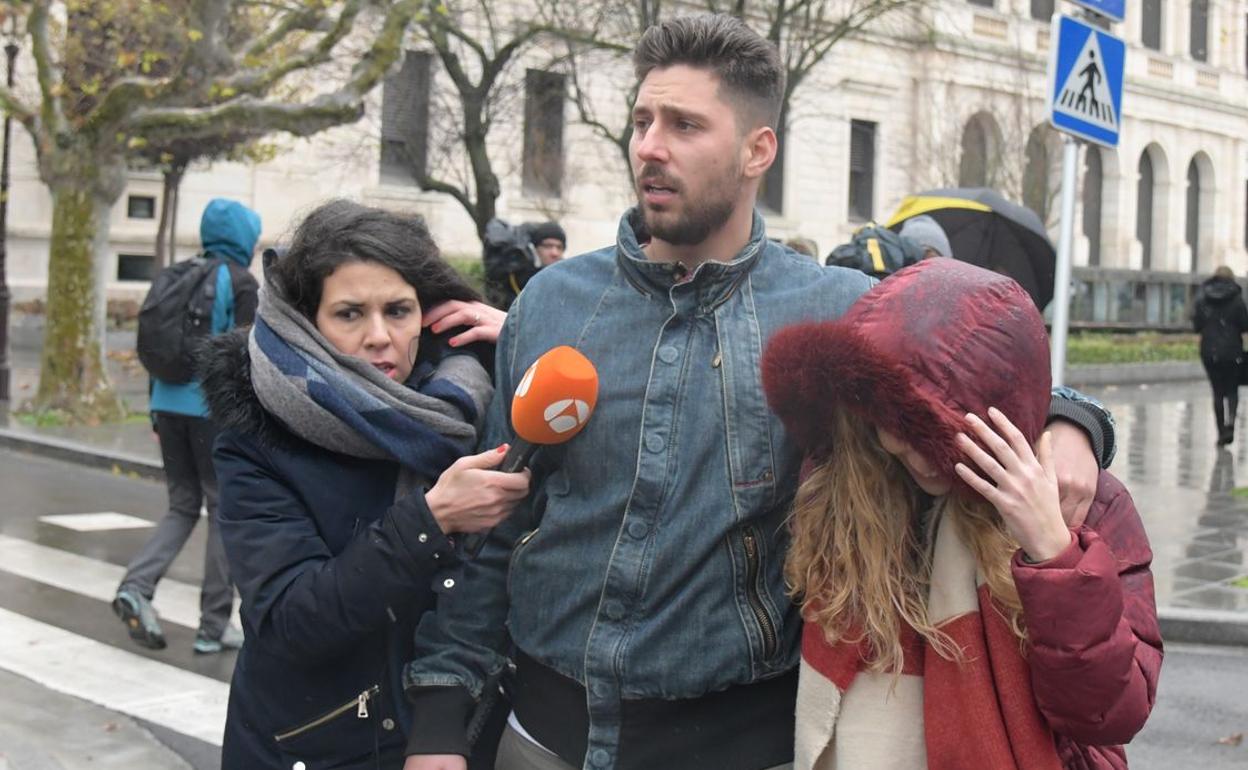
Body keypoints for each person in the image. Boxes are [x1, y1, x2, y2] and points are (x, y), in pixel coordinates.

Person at [403, 16, 1116, 770]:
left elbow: (988, 368)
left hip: (744, 742)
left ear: (756, 150)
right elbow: (492, 531)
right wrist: (441, 725)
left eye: (683, 124)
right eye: (642, 121)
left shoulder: (837, 309)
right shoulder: (551, 304)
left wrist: (1073, 422)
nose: (649, 145)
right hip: (544, 737)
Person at [762, 259, 1161, 770]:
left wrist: (1056, 556)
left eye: (945, 437)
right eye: (901, 424)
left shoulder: (1079, 501)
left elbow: (1109, 713)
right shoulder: (842, 491)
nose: (921, 453)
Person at [200, 200, 526, 769]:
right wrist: (430, 523)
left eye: (398, 311)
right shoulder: (258, 435)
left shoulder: (475, 399)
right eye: (350, 314)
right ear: (309, 322)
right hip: (315, 743)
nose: (380, 336)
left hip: (457, 739)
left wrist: (529, 339)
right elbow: (288, 620)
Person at [113, 198, 261, 654]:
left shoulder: (175, 275)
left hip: (166, 406)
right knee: (222, 510)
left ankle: (137, 586)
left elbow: (160, 346)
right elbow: (245, 359)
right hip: (211, 414)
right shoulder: (239, 282)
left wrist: (155, 412)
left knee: (181, 505)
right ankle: (213, 627)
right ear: (245, 238)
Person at [1192, 265, 1248, 445]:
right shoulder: (1237, 298)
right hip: (1233, 351)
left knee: (1217, 391)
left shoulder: (1203, 298)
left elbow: (1197, 325)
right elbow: (1244, 325)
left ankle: (1221, 432)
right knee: (1232, 389)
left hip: (1209, 351)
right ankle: (1231, 423)